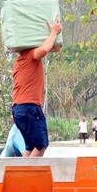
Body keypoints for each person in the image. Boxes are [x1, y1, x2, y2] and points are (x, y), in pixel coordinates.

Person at [12, 18, 62, 157]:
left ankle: (20, 176)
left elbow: (47, 47)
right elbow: (45, 49)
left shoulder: (18, 61)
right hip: (29, 107)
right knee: (41, 146)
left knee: (30, 147)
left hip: (18, 109)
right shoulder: (30, 55)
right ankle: (28, 178)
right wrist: (54, 32)